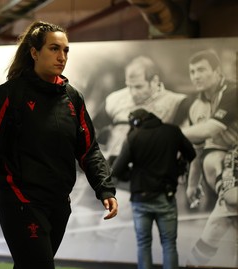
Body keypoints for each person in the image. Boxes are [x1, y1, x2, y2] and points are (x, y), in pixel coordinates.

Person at [0, 21, 118, 269]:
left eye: (65, 50)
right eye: (54, 49)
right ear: (34, 52)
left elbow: (88, 149)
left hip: (59, 204)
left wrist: (104, 188)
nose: (62, 57)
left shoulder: (73, 98)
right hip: (21, 202)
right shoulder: (9, 95)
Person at [112, 108, 196, 269]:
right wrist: (178, 167)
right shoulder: (172, 131)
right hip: (166, 196)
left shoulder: (133, 137)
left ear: (136, 122)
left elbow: (117, 170)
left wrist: (132, 174)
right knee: (169, 243)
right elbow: (191, 154)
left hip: (140, 198)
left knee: (144, 244)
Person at [182, 49, 238, 266]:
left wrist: (170, 133)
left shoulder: (232, 91)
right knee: (229, 208)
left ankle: (193, 263)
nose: (195, 75)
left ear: (217, 72)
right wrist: (192, 184)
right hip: (225, 164)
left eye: (201, 70)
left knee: (227, 215)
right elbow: (196, 149)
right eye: (192, 71)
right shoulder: (195, 107)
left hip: (233, 157)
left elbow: (211, 130)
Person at [96, 55, 191, 159]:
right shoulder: (114, 100)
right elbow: (92, 131)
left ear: (154, 81)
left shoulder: (176, 103)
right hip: (113, 163)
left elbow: (186, 140)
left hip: (151, 167)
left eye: (138, 87)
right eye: (129, 86)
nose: (132, 93)